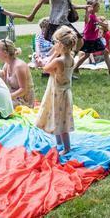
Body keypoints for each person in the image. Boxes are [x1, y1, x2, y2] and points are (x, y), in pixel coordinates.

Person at [35, 26, 76, 155]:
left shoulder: (59, 60)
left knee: (60, 121)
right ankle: (59, 143)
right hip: (63, 92)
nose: (54, 45)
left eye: (55, 43)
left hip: (58, 93)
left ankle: (66, 148)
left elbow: (46, 68)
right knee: (59, 117)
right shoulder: (70, 58)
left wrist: (47, 57)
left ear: (60, 45)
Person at [73, 0, 110, 76]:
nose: (99, 8)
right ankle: (75, 68)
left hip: (95, 39)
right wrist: (87, 11)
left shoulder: (94, 15)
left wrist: (103, 24)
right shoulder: (90, 15)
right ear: (92, 7)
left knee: (105, 52)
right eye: (97, 6)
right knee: (87, 55)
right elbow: (86, 20)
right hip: (89, 40)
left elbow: (98, 23)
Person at [0, 38, 35, 107]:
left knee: (0, 106)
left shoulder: (19, 67)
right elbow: (3, 83)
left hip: (24, 100)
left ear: (5, 53)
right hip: (14, 96)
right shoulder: (6, 65)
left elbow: (23, 89)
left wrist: (8, 97)